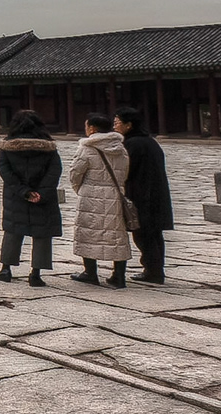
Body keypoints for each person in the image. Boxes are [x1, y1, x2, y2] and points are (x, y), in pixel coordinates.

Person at [0, 110, 62, 287]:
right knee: (42, 233)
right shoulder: (48, 148)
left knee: (13, 231)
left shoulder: (7, 147)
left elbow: (5, 172)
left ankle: (5, 269)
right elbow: (54, 171)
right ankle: (36, 274)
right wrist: (42, 192)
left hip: (15, 196)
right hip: (43, 198)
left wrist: (23, 191)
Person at [69, 112, 132, 288]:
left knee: (88, 232)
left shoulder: (86, 148)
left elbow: (75, 174)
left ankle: (90, 272)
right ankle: (118, 276)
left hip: (90, 195)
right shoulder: (121, 148)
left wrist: (80, 190)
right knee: (117, 235)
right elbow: (124, 173)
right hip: (115, 194)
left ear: (92, 128)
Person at [116, 107, 173, 285]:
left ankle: (152, 271)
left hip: (141, 196)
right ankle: (155, 269)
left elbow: (126, 170)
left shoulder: (133, 144)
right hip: (156, 194)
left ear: (128, 125)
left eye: (117, 122)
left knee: (144, 235)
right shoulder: (150, 142)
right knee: (154, 235)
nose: (115, 126)